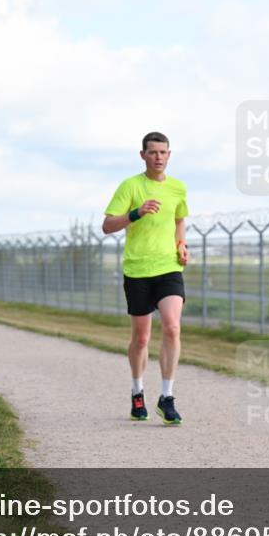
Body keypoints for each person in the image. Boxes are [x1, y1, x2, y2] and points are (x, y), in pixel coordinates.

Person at [102, 131, 190, 425]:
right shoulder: (131, 186)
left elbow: (179, 220)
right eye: (153, 152)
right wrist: (136, 214)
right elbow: (107, 225)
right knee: (141, 339)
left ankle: (167, 397)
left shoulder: (178, 188)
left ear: (169, 155)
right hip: (137, 270)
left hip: (168, 268)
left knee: (173, 327)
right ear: (143, 155)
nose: (158, 157)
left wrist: (182, 246)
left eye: (163, 152)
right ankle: (137, 391)